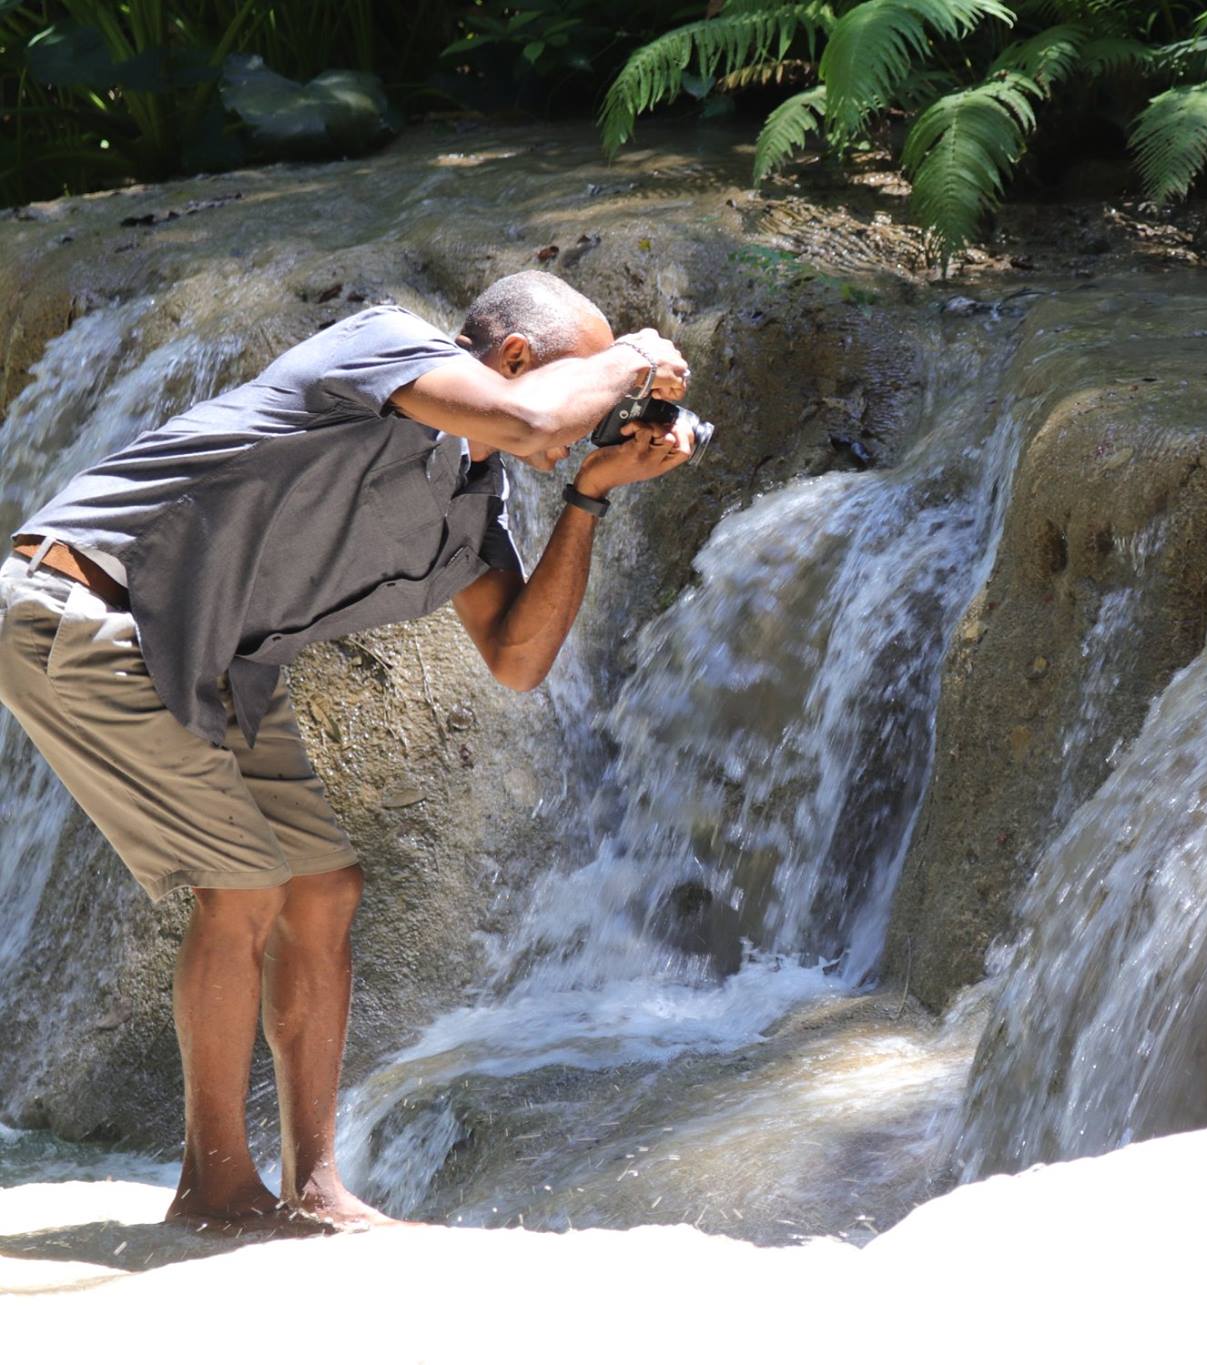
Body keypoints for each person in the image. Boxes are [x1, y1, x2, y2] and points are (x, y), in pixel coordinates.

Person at [0, 271, 696, 1231]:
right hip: (85, 608)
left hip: (216, 663)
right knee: (242, 886)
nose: (592, 419)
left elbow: (520, 659)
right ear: (518, 362)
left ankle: (314, 1187)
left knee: (323, 887)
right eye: (590, 396)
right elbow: (535, 421)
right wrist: (637, 358)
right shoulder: (383, 344)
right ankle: (213, 1189)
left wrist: (589, 496)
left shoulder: (469, 502)